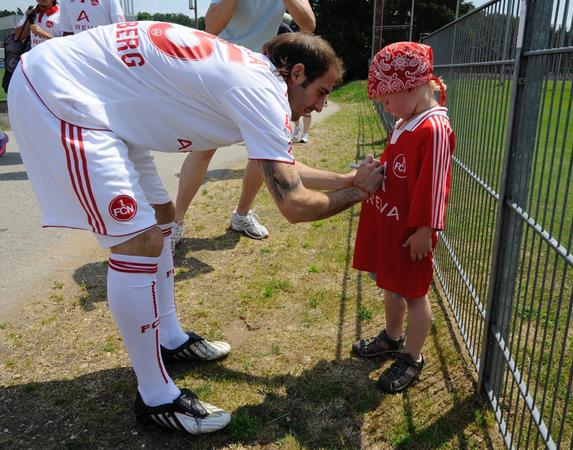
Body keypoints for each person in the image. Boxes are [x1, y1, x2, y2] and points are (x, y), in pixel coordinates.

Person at [8, 22, 384, 435]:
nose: (317, 106)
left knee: (164, 217)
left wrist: (348, 180)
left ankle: (170, 337)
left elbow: (282, 169)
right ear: (296, 73)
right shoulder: (261, 93)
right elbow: (293, 203)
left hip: (97, 94)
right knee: (139, 241)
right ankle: (155, 397)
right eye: (322, 92)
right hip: (60, 92)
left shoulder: (256, 77)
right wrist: (361, 193)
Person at [351, 42, 456, 394]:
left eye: (387, 98)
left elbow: (435, 183)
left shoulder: (435, 128)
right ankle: (392, 337)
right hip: (391, 224)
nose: (385, 106)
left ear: (411, 86)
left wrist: (426, 229)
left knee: (414, 293)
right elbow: (398, 168)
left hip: (413, 234)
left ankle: (412, 356)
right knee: (390, 284)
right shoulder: (406, 120)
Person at [173, 0, 316, 244]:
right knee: (204, 149)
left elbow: (308, 24)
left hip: (260, 73)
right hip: (222, 69)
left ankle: (241, 215)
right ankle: (175, 223)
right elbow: (212, 27)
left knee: (261, 153)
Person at [58, 0, 124, 35]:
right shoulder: (65, 1)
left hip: (105, 52)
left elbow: (120, 29)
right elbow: (67, 32)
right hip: (80, 53)